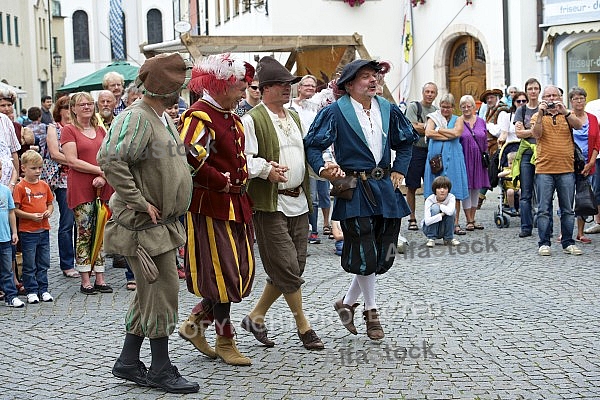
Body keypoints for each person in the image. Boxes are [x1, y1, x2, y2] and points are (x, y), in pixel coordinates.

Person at [97, 52, 199, 394]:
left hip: (161, 225)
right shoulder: (137, 117)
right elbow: (110, 160)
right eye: (176, 87)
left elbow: (157, 165)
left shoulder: (162, 116)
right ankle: (160, 368)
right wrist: (138, 200)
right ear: (164, 88)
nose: (180, 92)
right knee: (162, 294)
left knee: (147, 296)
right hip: (144, 227)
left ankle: (128, 361)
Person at [305, 59, 417, 340]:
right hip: (354, 187)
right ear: (350, 84)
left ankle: (346, 303)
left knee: (381, 253)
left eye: (374, 76)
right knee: (365, 248)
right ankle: (371, 311)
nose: (372, 81)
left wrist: (400, 170)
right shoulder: (336, 112)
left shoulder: (389, 109)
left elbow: (406, 142)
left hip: (385, 187)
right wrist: (324, 168)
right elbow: (314, 145)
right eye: (365, 77)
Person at [241, 56, 325, 350]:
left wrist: (326, 169)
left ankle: (256, 316)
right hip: (270, 204)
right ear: (264, 88)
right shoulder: (251, 119)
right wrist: (266, 170)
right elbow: (245, 162)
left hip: (300, 200)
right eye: (279, 84)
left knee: (294, 267)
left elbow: (306, 157)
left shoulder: (297, 117)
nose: (286, 88)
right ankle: (304, 327)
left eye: (288, 83)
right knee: (287, 267)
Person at [177, 53, 256, 366]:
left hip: (236, 204)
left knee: (236, 272)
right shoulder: (200, 115)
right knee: (224, 275)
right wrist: (216, 179)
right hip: (211, 205)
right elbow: (186, 151)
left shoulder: (233, 117)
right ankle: (225, 339)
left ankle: (195, 324)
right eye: (239, 86)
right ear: (222, 86)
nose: (244, 92)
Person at [61, 92, 114, 294]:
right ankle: (85, 279)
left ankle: (100, 276)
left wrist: (104, 175)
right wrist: (98, 170)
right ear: (73, 108)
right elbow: (72, 160)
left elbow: (109, 155)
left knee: (100, 230)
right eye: (82, 104)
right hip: (82, 187)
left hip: (101, 186)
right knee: (85, 231)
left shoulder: (101, 129)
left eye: (90, 104)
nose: (86, 107)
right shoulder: (69, 130)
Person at [532, 85, 583, 256]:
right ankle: (544, 243)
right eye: (548, 95)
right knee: (543, 209)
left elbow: (579, 126)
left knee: (568, 209)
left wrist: (566, 112)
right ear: (543, 98)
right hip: (544, 169)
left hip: (566, 168)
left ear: (560, 97)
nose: (552, 98)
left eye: (555, 95)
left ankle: (568, 242)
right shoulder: (536, 115)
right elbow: (536, 134)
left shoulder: (567, 114)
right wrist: (540, 114)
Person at [288, 74, 332, 243]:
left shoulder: (318, 106)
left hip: (321, 149)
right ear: (299, 88)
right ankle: (312, 228)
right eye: (306, 85)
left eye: (313, 86)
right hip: (302, 151)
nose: (310, 89)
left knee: (324, 191)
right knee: (311, 193)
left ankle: (326, 224)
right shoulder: (290, 106)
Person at [42, 96, 78, 278]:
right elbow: (55, 153)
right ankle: (67, 263)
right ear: (60, 110)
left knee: (83, 222)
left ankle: (83, 260)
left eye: (72, 106)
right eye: (66, 107)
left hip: (79, 177)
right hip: (62, 179)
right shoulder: (53, 127)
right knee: (67, 222)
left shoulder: (78, 126)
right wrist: (77, 161)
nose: (69, 110)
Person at [423, 93, 468, 236]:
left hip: (454, 158)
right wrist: (448, 134)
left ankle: (454, 223)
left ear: (453, 107)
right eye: (443, 107)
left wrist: (440, 130)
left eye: (448, 107)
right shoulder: (433, 117)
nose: (445, 110)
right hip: (436, 159)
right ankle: (434, 223)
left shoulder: (458, 119)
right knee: (435, 190)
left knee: (455, 191)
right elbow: (429, 133)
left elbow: (457, 133)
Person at [13, 150, 54, 304]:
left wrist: (48, 212)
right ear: (24, 168)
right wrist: (31, 216)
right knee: (29, 263)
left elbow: (50, 203)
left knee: (43, 262)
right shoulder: (20, 187)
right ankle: (31, 290)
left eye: (40, 168)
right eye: (33, 168)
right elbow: (15, 210)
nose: (37, 171)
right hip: (28, 231)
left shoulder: (44, 185)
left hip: (44, 229)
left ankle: (43, 289)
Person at [405, 82, 438, 231]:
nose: (430, 94)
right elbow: (411, 126)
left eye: (432, 92)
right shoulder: (414, 107)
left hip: (431, 150)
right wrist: (428, 127)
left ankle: (429, 216)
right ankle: (412, 218)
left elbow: (438, 129)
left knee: (431, 185)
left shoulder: (436, 110)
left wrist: (422, 126)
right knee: (412, 185)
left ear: (435, 94)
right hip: (415, 150)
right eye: (427, 91)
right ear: (423, 92)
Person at [569, 87, 599, 243]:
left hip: (587, 164)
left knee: (584, 198)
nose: (579, 101)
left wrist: (592, 161)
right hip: (568, 164)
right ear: (571, 101)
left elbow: (597, 142)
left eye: (582, 98)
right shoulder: (567, 117)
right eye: (576, 98)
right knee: (566, 199)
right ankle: (565, 232)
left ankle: (580, 233)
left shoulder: (593, 119)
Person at [514, 78, 541, 238]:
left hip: (542, 152)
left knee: (544, 190)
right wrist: (535, 130)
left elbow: (544, 133)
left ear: (539, 90)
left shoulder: (543, 108)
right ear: (526, 90)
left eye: (535, 88)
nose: (533, 91)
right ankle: (526, 226)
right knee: (526, 192)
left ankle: (545, 224)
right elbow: (518, 133)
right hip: (526, 153)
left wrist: (528, 130)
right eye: (530, 88)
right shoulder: (521, 110)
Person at [458, 95, 489, 231]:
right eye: (463, 106)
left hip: (478, 159)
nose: (466, 109)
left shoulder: (481, 121)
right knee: (467, 188)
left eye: (468, 106)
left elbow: (485, 139)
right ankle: (469, 220)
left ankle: (473, 217)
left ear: (474, 107)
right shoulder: (458, 122)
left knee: (476, 188)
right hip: (464, 158)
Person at [477, 88, 509, 209]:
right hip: (489, 147)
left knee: (492, 173)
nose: (489, 100)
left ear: (497, 98)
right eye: (487, 98)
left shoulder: (502, 111)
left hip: (499, 147)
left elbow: (500, 131)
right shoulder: (489, 110)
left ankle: (480, 199)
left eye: (491, 97)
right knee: (489, 172)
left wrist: (487, 125)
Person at [0, 161, 21, 307]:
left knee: (7, 269)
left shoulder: (5, 190)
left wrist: (14, 232)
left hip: (5, 237)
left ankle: (11, 296)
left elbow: (11, 212)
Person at [423, 176, 459, 247]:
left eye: (445, 188)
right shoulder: (430, 199)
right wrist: (441, 214)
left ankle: (448, 238)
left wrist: (441, 205)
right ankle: (431, 238)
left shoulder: (451, 197)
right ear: (435, 190)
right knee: (435, 208)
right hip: (429, 229)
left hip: (444, 227)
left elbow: (450, 212)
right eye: (439, 188)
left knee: (453, 211)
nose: (442, 190)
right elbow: (427, 221)